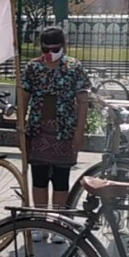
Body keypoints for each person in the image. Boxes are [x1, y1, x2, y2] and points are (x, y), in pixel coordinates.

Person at [20, 26, 90, 242]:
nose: (51, 51)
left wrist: (79, 131)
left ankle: (59, 221)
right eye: (46, 48)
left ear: (64, 45)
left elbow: (83, 101)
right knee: (39, 177)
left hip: (65, 130)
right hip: (39, 129)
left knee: (61, 179)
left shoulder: (74, 67)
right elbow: (23, 96)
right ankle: (40, 222)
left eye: (55, 47)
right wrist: (19, 127)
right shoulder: (33, 67)